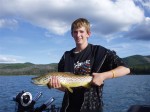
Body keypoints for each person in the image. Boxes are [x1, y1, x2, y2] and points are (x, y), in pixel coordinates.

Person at [47, 18, 130, 112]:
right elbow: (65, 89)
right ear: (72, 34)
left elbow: (125, 69)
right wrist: (56, 86)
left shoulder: (100, 52)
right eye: (75, 32)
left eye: (81, 31)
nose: (78, 35)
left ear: (88, 34)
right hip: (68, 108)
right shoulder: (66, 56)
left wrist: (103, 76)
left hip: (92, 108)